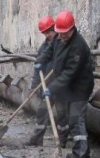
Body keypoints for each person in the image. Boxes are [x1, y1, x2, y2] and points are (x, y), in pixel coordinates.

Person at [35, 11, 94, 158]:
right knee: (69, 119)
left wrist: (51, 88)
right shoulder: (59, 37)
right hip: (67, 86)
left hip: (80, 87)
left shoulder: (78, 46)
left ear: (72, 29)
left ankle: (80, 157)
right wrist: (41, 61)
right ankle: (80, 152)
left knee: (76, 120)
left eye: (64, 34)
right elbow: (50, 51)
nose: (60, 37)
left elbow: (70, 73)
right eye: (59, 33)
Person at [26, 15, 68, 147]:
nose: (47, 35)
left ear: (54, 29)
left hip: (61, 87)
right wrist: (35, 86)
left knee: (62, 115)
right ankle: (36, 140)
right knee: (42, 112)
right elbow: (38, 70)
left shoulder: (63, 44)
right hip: (47, 86)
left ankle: (62, 142)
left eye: (49, 32)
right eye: (45, 33)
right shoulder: (43, 48)